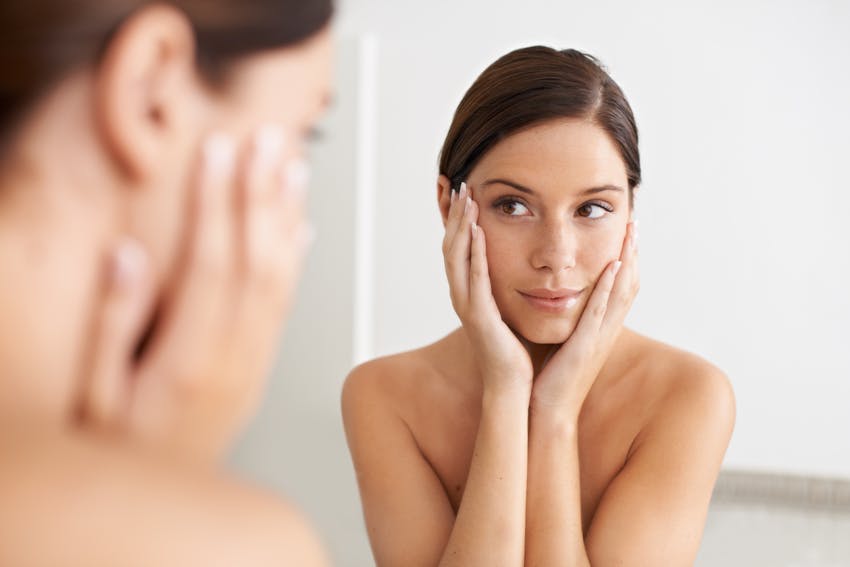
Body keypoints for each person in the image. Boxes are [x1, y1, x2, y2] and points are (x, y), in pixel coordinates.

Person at [343, 46, 736, 566]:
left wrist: (553, 414)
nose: (556, 256)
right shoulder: (384, 397)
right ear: (449, 205)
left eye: (592, 209)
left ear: (630, 215)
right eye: (514, 206)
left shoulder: (687, 397)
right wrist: (506, 393)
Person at [0, 1, 334, 564]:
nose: (299, 222)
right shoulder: (234, 548)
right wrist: (163, 494)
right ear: (151, 92)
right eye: (306, 132)